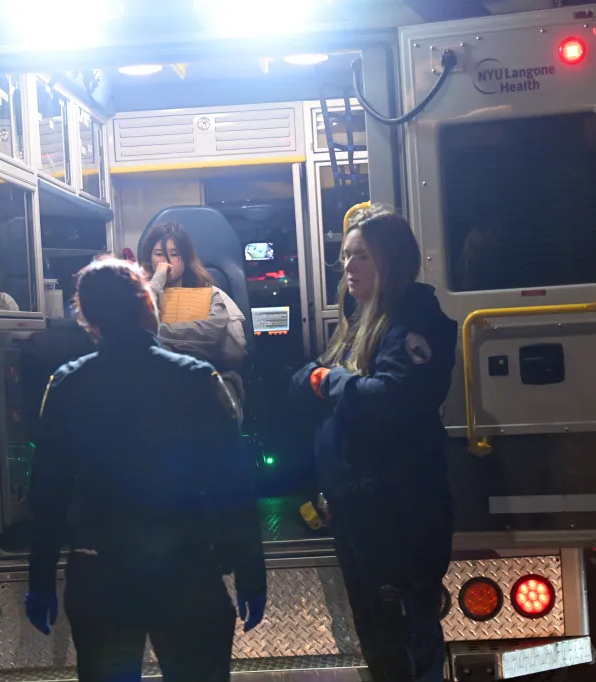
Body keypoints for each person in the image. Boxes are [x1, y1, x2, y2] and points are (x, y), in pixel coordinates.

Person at [25, 257, 266, 682]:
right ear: (148, 308)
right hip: (187, 571)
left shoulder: (67, 385)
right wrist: (250, 569)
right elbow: (232, 485)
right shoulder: (197, 380)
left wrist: (41, 577)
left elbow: (48, 494)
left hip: (101, 575)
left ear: (89, 320)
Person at [290, 204, 457, 682]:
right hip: (358, 509)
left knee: (405, 637)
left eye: (360, 255)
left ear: (392, 259)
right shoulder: (362, 318)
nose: (348, 267)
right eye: (344, 256)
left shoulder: (413, 322)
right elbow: (310, 377)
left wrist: (330, 382)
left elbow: (392, 396)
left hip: (398, 513)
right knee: (379, 640)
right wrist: (320, 378)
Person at [138, 221, 249, 373]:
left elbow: (211, 333)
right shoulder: (137, 295)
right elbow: (135, 327)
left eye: (174, 254)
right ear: (149, 258)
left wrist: (156, 332)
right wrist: (157, 282)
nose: (166, 261)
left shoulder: (210, 293)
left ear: (186, 257)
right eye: (159, 254)